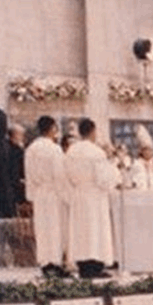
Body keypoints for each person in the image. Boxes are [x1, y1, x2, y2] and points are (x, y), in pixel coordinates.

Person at [64, 118, 118, 278]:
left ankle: (82, 266)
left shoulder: (71, 151)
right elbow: (104, 179)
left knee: (81, 231)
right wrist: (113, 168)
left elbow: (66, 174)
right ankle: (94, 266)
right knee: (95, 230)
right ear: (93, 131)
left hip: (79, 193)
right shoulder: (96, 152)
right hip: (95, 195)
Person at [24, 116, 71, 277]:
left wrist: (31, 196)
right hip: (53, 192)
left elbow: (28, 174)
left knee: (42, 229)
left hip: (39, 193)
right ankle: (55, 263)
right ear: (52, 129)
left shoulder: (31, 149)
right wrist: (66, 195)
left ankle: (45, 262)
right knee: (55, 228)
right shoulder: (54, 149)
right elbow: (59, 174)